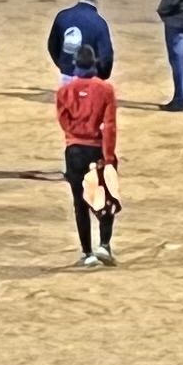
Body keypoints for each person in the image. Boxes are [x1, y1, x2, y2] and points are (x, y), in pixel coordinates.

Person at [56, 55, 122, 265]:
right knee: (106, 198)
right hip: (98, 150)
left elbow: (64, 121)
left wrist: (76, 134)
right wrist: (109, 156)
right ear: (95, 65)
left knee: (80, 203)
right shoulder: (106, 90)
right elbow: (109, 125)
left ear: (75, 66)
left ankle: (87, 253)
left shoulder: (65, 91)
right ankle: (104, 245)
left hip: (74, 150)